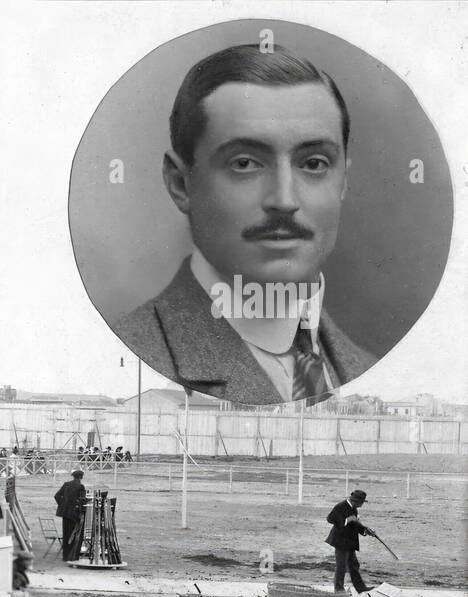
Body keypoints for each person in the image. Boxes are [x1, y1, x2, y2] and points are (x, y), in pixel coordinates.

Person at [114, 45, 375, 405]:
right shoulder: (140, 350)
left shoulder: (362, 366)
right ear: (180, 183)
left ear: (343, 182)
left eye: (313, 164)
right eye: (245, 163)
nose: (284, 200)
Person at [325, 489, 373, 594]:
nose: (362, 505)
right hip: (340, 541)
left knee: (354, 565)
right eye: (361, 503)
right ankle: (338, 589)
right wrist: (347, 520)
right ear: (356, 501)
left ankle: (360, 587)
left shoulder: (354, 508)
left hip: (350, 542)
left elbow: (355, 524)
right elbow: (330, 519)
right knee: (341, 566)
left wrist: (365, 531)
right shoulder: (340, 506)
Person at [54, 468, 87, 562]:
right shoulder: (81, 486)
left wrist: (63, 505)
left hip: (65, 513)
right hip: (74, 514)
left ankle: (65, 556)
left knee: (66, 534)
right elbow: (82, 500)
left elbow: (56, 496)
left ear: (73, 476)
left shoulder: (66, 484)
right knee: (75, 534)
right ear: (81, 477)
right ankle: (73, 556)